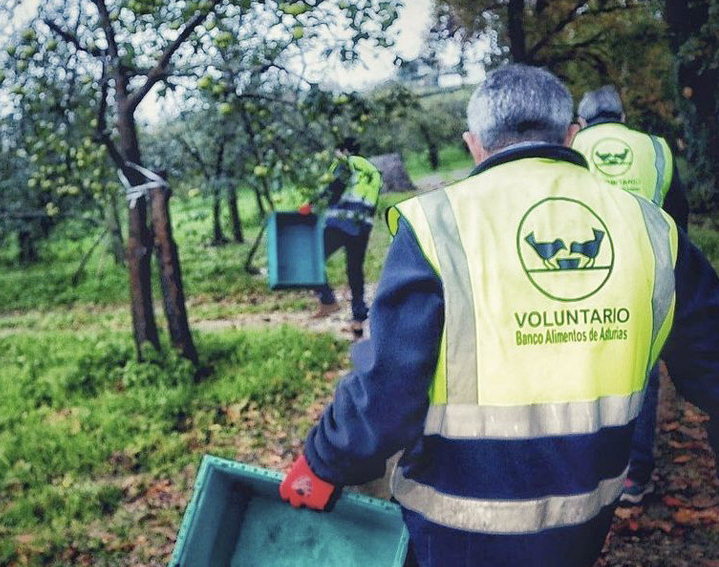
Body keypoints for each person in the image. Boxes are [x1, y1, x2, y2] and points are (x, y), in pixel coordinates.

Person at [279, 64, 719, 567]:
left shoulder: (437, 226)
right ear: (572, 135)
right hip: (585, 521)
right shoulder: (653, 230)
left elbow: (387, 393)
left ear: (474, 144)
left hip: (459, 530)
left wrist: (324, 459)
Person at [572, 85, 690, 505]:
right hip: (644, 275)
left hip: (583, 272)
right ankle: (634, 476)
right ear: (622, 117)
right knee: (642, 370)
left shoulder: (569, 145)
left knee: (582, 365)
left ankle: (587, 464)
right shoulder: (655, 148)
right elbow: (679, 218)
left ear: (581, 122)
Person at [299, 137, 382, 337]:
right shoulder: (371, 169)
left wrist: (310, 206)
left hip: (340, 223)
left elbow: (334, 189)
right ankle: (359, 315)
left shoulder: (345, 164)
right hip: (362, 225)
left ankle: (328, 301)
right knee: (354, 269)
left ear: (343, 150)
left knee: (311, 258)